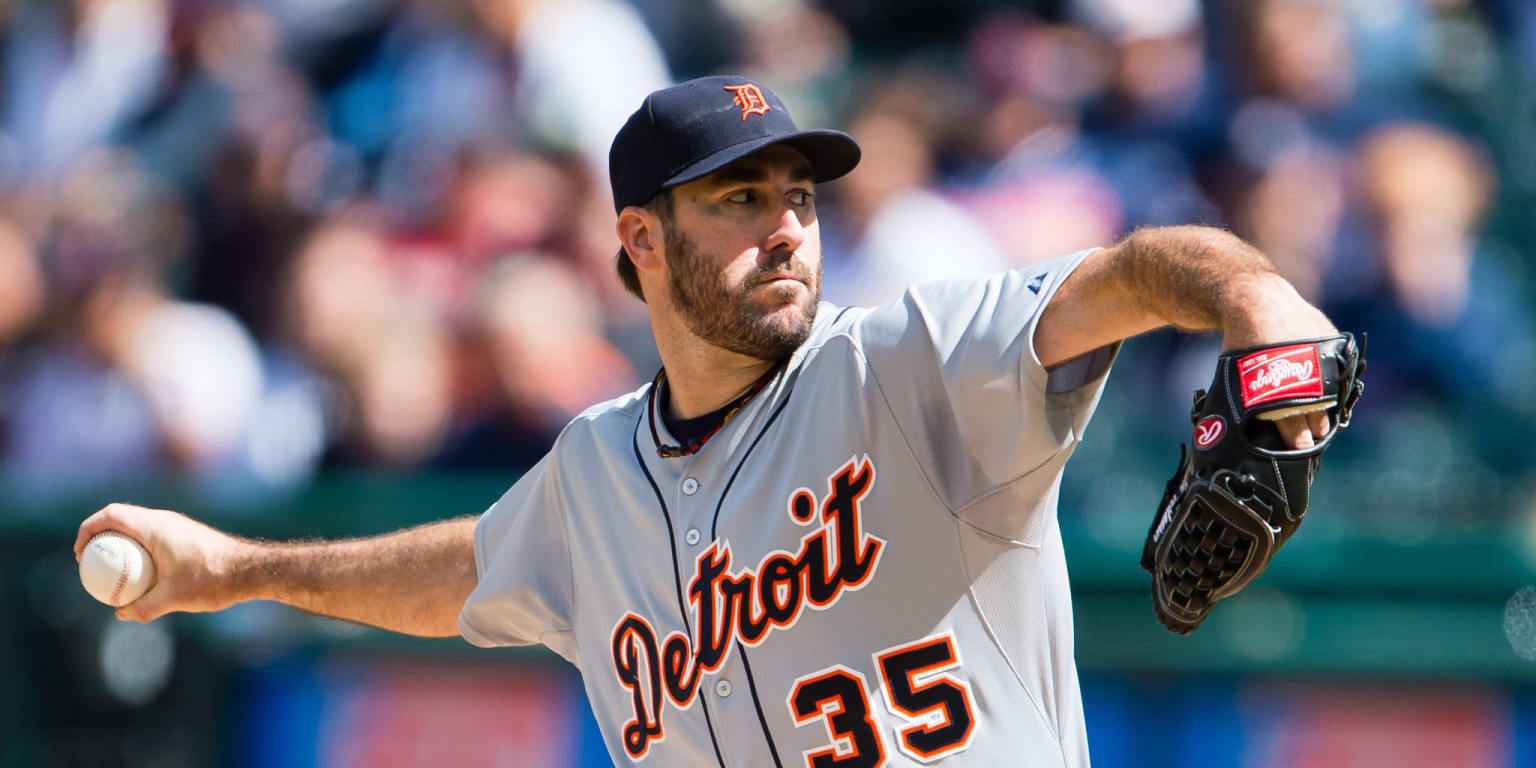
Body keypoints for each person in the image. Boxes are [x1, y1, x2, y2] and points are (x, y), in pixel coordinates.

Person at [76, 76, 1338, 767]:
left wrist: (1253, 298)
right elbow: (461, 569)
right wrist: (231, 570)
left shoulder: (906, 364)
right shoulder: (593, 475)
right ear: (641, 240)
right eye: (740, 198)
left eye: (799, 194)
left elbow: (1128, 272)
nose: (788, 223)